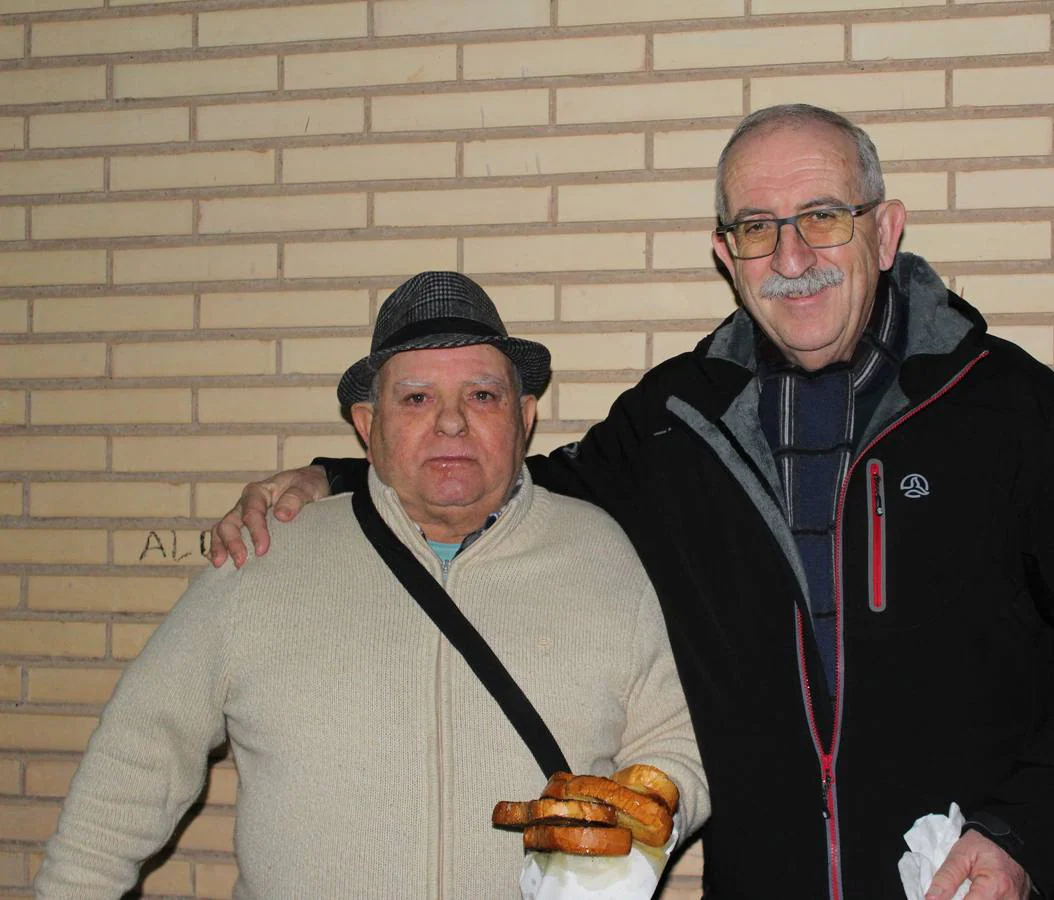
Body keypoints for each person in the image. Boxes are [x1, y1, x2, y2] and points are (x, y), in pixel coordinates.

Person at [210, 105, 1054, 899]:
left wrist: (1024, 835)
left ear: (884, 231)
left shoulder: (1001, 404)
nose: (791, 255)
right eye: (757, 228)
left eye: (822, 216)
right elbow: (522, 495)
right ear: (726, 254)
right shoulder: (677, 419)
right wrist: (341, 477)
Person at [37, 272, 708, 898]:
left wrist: (640, 841)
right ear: (368, 426)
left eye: (482, 395)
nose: (451, 422)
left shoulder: (599, 554)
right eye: (416, 398)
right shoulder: (266, 556)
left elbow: (676, 738)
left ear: (523, 416)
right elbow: (131, 770)